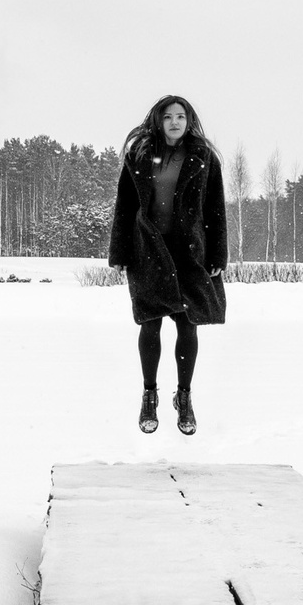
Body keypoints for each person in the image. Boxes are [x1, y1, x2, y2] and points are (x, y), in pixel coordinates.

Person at [107, 94, 227, 434]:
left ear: (189, 121)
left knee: (188, 323)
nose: (175, 122)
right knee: (151, 322)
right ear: (158, 121)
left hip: (189, 252)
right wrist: (119, 252)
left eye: (181, 116)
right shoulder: (140, 155)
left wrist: (218, 255)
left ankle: (184, 397)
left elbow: (216, 209)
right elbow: (125, 206)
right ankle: (149, 395)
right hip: (149, 250)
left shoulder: (204, 158)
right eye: (168, 117)